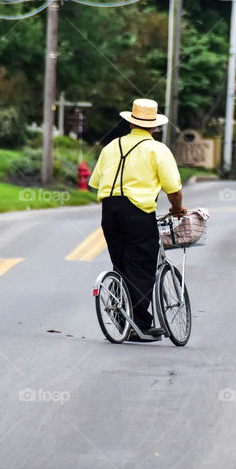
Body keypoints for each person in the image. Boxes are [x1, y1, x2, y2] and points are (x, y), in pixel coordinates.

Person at [88, 99, 187, 337]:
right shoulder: (157, 149)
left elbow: (95, 182)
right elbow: (173, 189)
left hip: (109, 209)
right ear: (154, 127)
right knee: (142, 266)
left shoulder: (111, 147)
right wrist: (177, 208)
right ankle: (140, 325)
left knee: (121, 264)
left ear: (131, 123)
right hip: (137, 211)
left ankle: (122, 321)